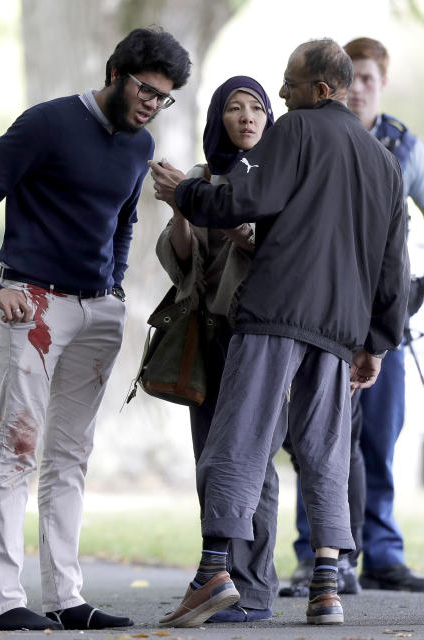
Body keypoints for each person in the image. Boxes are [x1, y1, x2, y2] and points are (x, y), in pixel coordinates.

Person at [149, 39, 409, 626]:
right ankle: (327, 586)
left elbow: (246, 196)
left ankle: (213, 573)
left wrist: (184, 193)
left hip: (276, 311)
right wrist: (377, 340)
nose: (281, 92)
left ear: (320, 88)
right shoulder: (384, 162)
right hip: (340, 330)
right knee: (325, 452)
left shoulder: (294, 131)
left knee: (237, 440)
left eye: (289, 82)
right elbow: (393, 262)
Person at [0, 26, 191, 632]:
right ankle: (4, 602)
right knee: (18, 447)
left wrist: (112, 287)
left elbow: (121, 224)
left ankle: (67, 599)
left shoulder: (140, 148)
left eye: (164, 97)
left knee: (70, 455)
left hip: (98, 313)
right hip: (33, 305)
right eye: (145, 89)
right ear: (116, 72)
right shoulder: (47, 124)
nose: (151, 103)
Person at [285, 36, 424, 596]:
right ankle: (320, 558)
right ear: (331, 83)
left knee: (380, 442)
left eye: (368, 79)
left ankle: (381, 553)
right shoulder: (310, 133)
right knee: (321, 440)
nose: (357, 88)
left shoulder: (404, 147)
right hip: (326, 316)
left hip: (386, 320)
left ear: (383, 84)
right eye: (350, 77)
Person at [155, 76, 279, 623]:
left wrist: (230, 224)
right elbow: (182, 261)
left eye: (257, 107)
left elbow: (271, 250)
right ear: (218, 119)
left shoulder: (278, 177)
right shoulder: (203, 178)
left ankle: (253, 589)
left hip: (258, 334)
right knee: (212, 459)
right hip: (207, 334)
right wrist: (182, 206)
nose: (247, 117)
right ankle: (220, 580)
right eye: (235, 107)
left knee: (254, 462)